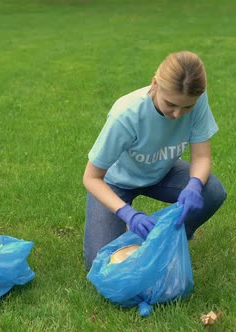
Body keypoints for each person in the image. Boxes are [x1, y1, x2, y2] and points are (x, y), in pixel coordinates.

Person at [82, 51, 227, 269]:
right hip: (116, 183)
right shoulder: (126, 114)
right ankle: (134, 230)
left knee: (212, 191)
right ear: (155, 84)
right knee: (100, 262)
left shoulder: (197, 101)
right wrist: (128, 214)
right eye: (171, 104)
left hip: (162, 173)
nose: (178, 114)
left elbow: (202, 156)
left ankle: (165, 239)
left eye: (186, 107)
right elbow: (91, 178)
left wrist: (195, 185)